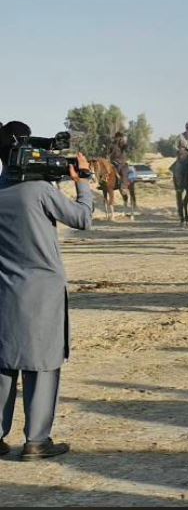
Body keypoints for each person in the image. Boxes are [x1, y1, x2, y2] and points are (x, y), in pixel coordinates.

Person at [0, 121, 93, 461]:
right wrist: (83, 183)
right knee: (42, 365)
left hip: (5, 292)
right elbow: (83, 218)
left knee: (5, 364)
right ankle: (37, 440)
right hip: (42, 294)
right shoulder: (40, 192)